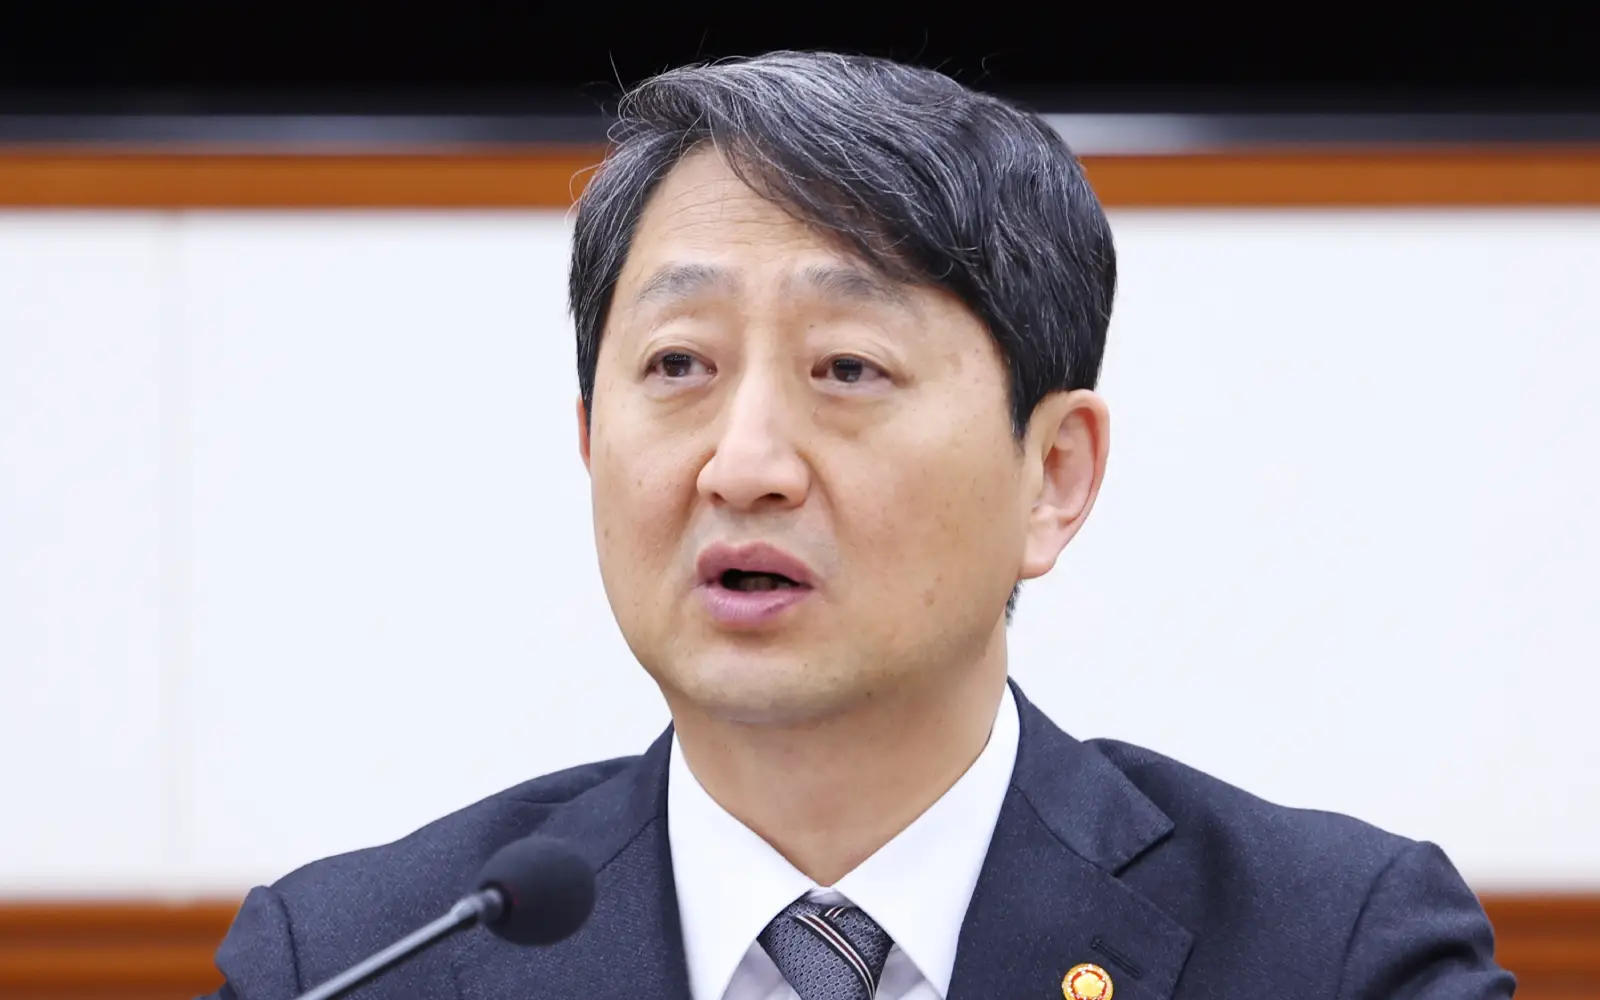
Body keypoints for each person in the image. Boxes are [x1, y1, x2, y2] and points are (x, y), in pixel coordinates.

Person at [205, 51, 1514, 1000]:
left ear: (1054, 475)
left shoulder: (1335, 955)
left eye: (847, 368)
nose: (745, 465)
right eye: (677, 365)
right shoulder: (352, 962)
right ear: (591, 441)